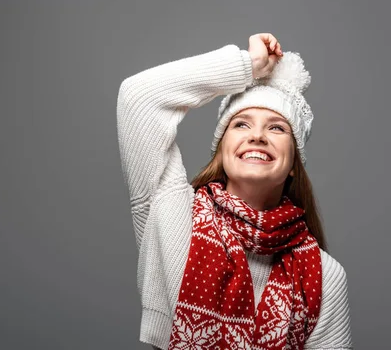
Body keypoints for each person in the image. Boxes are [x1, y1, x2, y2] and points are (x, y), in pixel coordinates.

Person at [116, 33, 353, 350]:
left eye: (277, 127)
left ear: (295, 162)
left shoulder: (324, 277)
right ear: (221, 149)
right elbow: (138, 98)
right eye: (241, 124)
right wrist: (250, 64)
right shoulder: (174, 213)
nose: (257, 135)